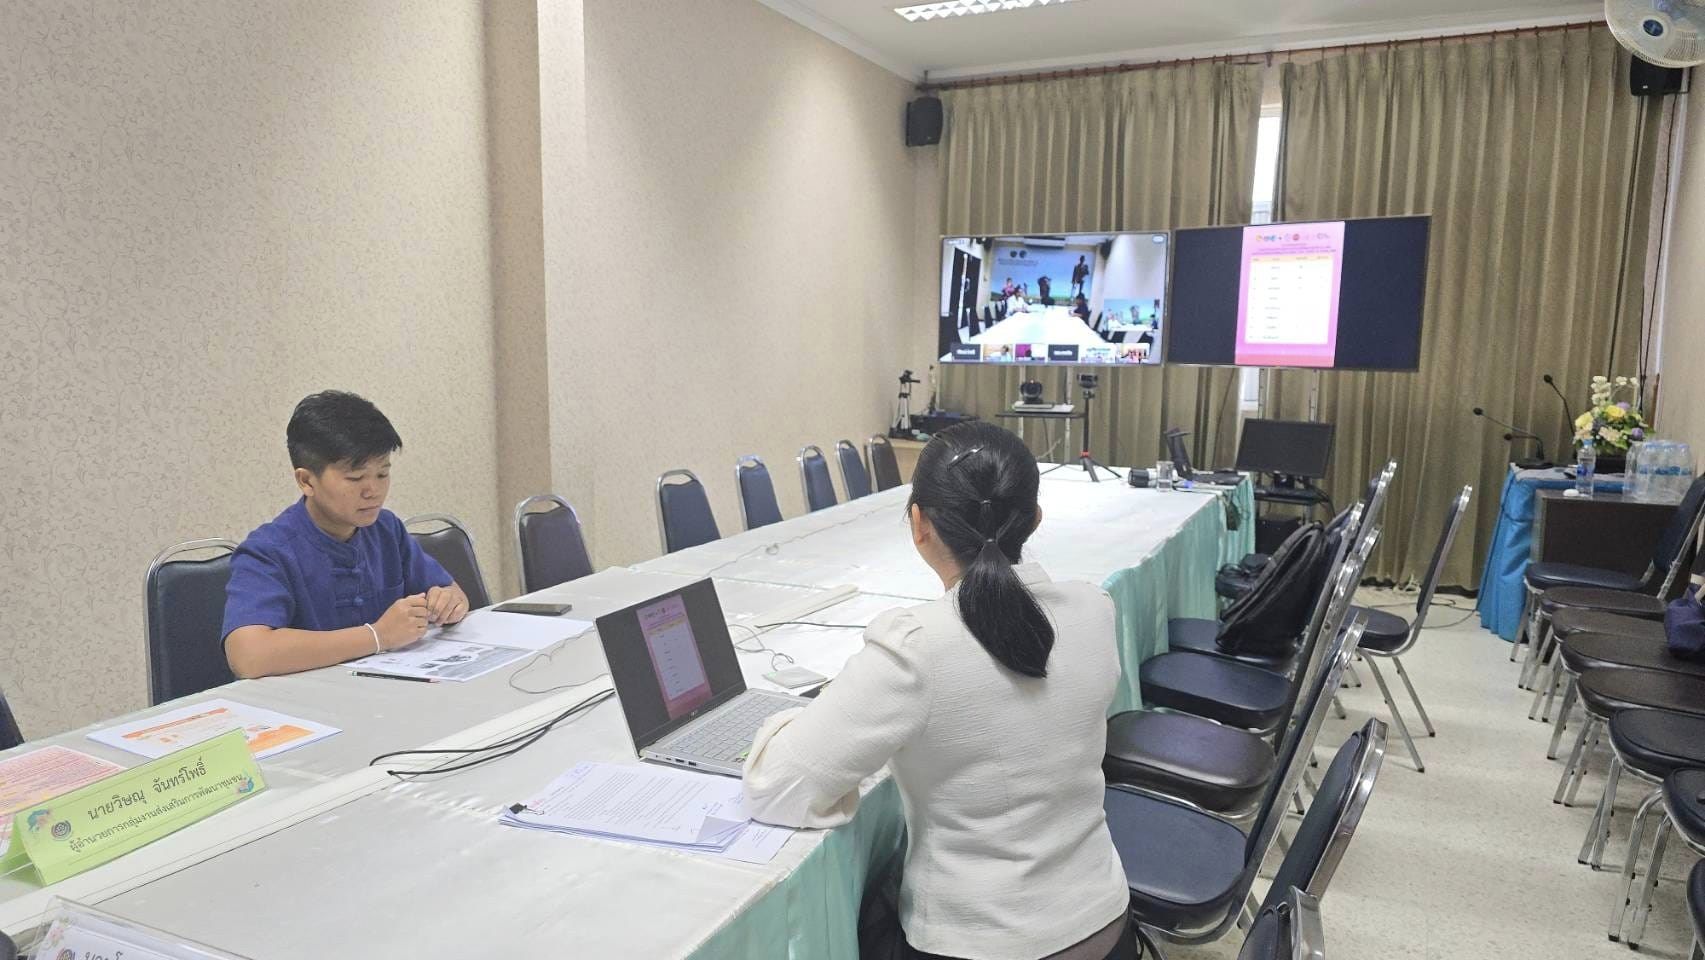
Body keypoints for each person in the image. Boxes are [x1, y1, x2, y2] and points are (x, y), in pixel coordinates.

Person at [742, 422, 1136, 960]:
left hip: (977, 943)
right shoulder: (1095, 609)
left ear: (918, 523)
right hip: (1105, 924)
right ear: (1035, 520)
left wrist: (793, 721)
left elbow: (779, 788)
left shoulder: (916, 648)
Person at [222, 391, 471, 679]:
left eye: (382, 474)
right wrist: (377, 636)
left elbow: (452, 592)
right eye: (355, 478)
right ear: (306, 480)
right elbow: (248, 656)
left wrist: (449, 603)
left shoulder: (386, 529)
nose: (373, 491)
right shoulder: (268, 551)